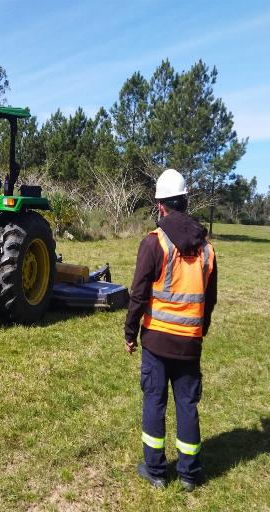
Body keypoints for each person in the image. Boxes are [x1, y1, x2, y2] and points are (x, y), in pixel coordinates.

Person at [124, 168, 217, 491]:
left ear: (160, 206)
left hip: (156, 342)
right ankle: (190, 474)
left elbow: (138, 294)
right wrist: (198, 331)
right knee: (187, 405)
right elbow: (210, 299)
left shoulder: (154, 243)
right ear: (185, 202)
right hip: (189, 343)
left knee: (154, 402)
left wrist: (129, 333)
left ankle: (155, 470)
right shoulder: (207, 249)